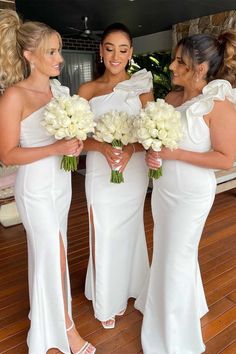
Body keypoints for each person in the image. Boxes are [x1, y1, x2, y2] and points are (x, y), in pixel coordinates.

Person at [0, 9, 96, 354]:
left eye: (59, 50)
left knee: (50, 255)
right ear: (29, 56)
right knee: (52, 255)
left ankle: (44, 324)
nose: (59, 58)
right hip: (35, 189)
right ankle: (66, 331)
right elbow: (8, 154)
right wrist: (55, 146)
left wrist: (74, 141)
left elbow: (65, 136)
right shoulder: (15, 96)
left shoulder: (59, 92)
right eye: (51, 52)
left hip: (61, 185)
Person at [135, 30, 236, 354]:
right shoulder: (173, 98)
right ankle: (190, 305)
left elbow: (226, 158)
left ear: (202, 67)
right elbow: (161, 145)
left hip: (191, 196)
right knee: (172, 254)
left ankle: (176, 341)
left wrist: (175, 154)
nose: (172, 67)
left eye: (180, 61)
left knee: (175, 260)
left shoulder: (217, 105)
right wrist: (154, 151)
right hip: (164, 191)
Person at [77, 22, 154, 329]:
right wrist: (102, 146)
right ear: (101, 51)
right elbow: (76, 138)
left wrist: (131, 148)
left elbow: (149, 135)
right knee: (104, 231)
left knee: (130, 230)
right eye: (110, 48)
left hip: (132, 173)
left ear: (131, 53)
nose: (116, 55)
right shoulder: (87, 90)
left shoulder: (142, 88)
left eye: (123, 49)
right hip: (99, 171)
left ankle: (133, 287)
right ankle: (107, 299)